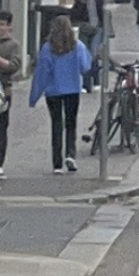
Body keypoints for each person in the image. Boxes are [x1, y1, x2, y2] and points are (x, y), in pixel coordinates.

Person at [29, 15, 92, 173]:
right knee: (71, 124)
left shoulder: (47, 48)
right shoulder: (77, 46)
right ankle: (70, 154)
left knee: (56, 125)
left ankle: (57, 164)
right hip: (72, 89)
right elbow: (85, 67)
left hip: (53, 91)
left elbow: (41, 73)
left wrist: (34, 97)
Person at [0, 11, 22, 178]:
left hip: (2, 91)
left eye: (2, 25)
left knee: (0, 130)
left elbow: (13, 66)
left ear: (9, 27)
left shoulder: (13, 45)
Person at [68, 0, 104, 90]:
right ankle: (86, 84)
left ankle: (96, 80)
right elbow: (75, 15)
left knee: (93, 54)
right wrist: (82, 3)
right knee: (85, 55)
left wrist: (104, 29)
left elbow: (102, 14)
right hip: (84, 29)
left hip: (96, 29)